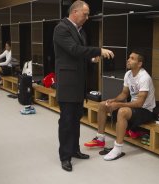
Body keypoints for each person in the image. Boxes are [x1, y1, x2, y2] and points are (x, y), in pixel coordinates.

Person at [53, 0, 114, 172]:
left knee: (76, 119)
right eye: (85, 14)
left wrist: (90, 58)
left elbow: (80, 53)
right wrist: (98, 51)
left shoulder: (81, 31)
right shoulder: (61, 28)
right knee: (66, 121)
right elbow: (73, 50)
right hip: (68, 84)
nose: (87, 17)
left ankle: (74, 150)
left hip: (79, 84)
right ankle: (65, 157)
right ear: (74, 12)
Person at [84, 50, 156, 161]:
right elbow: (124, 94)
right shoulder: (128, 74)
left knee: (122, 111)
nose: (128, 59)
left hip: (145, 111)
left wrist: (118, 105)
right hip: (133, 108)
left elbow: (139, 103)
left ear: (139, 63)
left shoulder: (144, 77)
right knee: (103, 104)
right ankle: (100, 138)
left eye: (132, 58)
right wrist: (113, 100)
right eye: (129, 57)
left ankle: (117, 149)